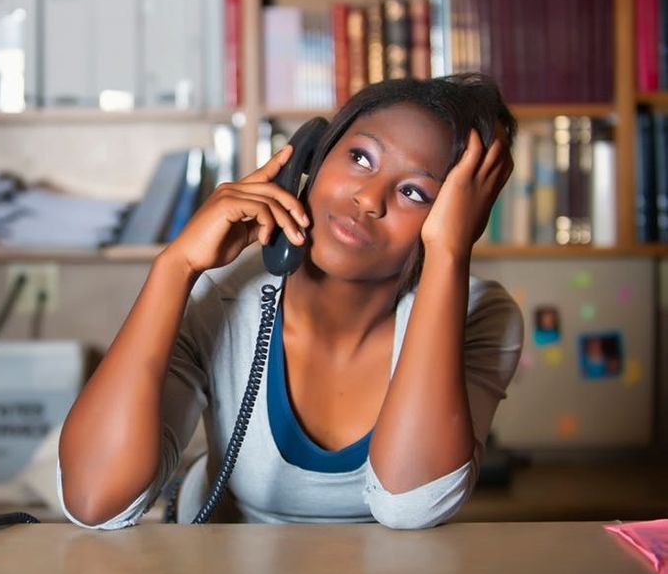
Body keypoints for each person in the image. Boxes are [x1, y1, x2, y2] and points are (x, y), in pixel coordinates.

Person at [58, 73, 524, 529]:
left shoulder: (480, 315)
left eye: (414, 192)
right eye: (360, 158)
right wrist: (174, 266)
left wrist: (449, 252)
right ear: (311, 160)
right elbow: (95, 500)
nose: (368, 199)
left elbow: (411, 506)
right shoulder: (222, 298)